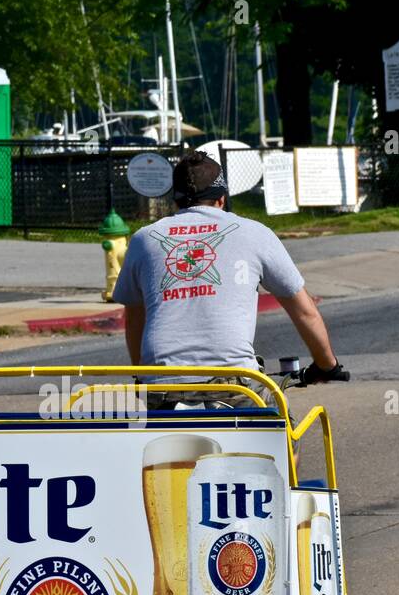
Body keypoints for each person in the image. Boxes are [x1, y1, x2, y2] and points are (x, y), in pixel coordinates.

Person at [111, 150, 347, 407]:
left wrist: (143, 375)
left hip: (164, 387)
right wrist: (326, 365)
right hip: (235, 385)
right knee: (282, 436)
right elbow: (305, 312)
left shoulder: (145, 239)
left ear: (176, 202)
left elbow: (134, 317)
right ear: (221, 199)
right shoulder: (255, 233)